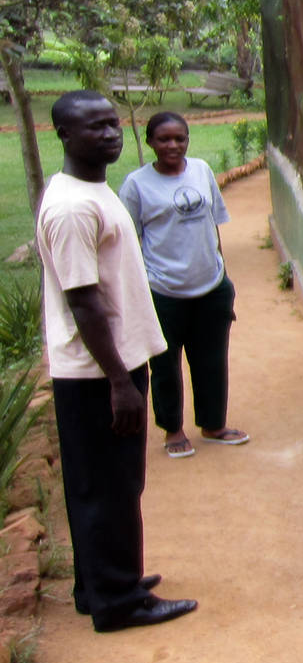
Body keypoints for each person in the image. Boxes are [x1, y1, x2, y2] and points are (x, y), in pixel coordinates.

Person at [36, 91, 197, 631]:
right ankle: (120, 602)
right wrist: (120, 383)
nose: (109, 134)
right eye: (94, 128)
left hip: (105, 368)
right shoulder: (73, 207)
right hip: (98, 373)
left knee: (100, 484)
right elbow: (83, 300)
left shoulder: (88, 189)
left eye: (112, 125)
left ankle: (101, 585)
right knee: (112, 487)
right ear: (64, 134)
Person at [119, 112, 249, 459]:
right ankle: (173, 430)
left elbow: (212, 224)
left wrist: (224, 278)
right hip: (163, 292)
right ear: (150, 142)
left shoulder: (202, 171)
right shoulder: (136, 185)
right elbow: (130, 242)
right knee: (165, 365)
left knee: (212, 360)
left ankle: (213, 425)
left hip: (211, 287)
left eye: (180, 138)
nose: (173, 145)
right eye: (164, 139)